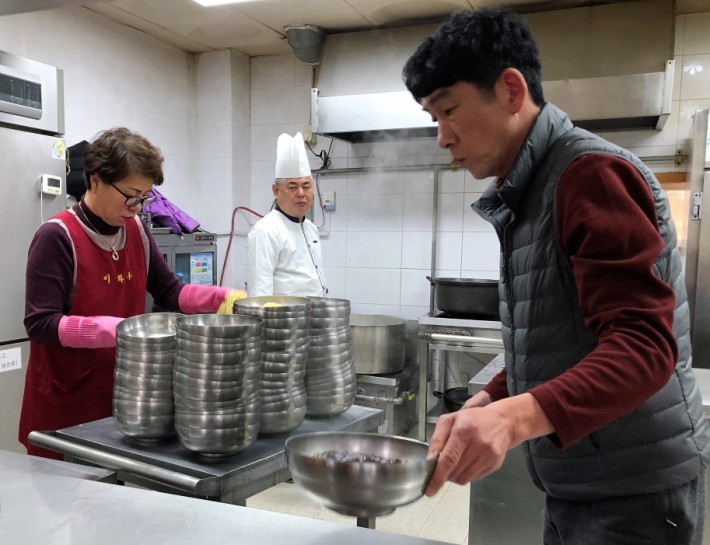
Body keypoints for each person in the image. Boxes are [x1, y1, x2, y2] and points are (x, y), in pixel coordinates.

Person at [403, 8, 710, 545]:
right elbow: (566, 337)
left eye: (448, 111)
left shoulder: (590, 175)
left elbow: (644, 347)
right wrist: (493, 398)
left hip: (631, 493)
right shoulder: (533, 189)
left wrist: (511, 421)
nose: (442, 138)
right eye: (434, 119)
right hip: (586, 481)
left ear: (511, 90)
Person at [20, 127, 245, 459]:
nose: (137, 206)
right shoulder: (57, 236)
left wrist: (217, 298)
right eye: (131, 195)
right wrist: (112, 329)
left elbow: (169, 291)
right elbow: (40, 323)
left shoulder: (136, 230)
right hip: (66, 404)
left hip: (123, 398)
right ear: (95, 180)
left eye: (145, 197)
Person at [247, 132, 327, 297]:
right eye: (292, 187)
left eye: (306, 186)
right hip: (283, 314)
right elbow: (259, 291)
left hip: (314, 312)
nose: (301, 193)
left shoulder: (311, 228)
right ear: (276, 191)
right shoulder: (266, 231)